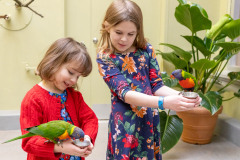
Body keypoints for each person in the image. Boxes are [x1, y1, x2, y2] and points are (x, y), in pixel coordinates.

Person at [96, 0, 202, 159]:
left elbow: (157, 85)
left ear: (138, 31)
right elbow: (125, 93)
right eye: (118, 32)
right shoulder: (105, 57)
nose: (124, 39)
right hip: (125, 124)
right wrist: (163, 103)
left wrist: (182, 97)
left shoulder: (146, 50)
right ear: (106, 26)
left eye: (130, 34)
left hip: (148, 120)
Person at [20, 37, 98, 160]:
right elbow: (29, 141)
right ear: (53, 63)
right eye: (71, 73)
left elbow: (90, 119)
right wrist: (60, 147)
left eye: (78, 77)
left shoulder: (75, 96)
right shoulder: (33, 99)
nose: (74, 80)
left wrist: (87, 138)